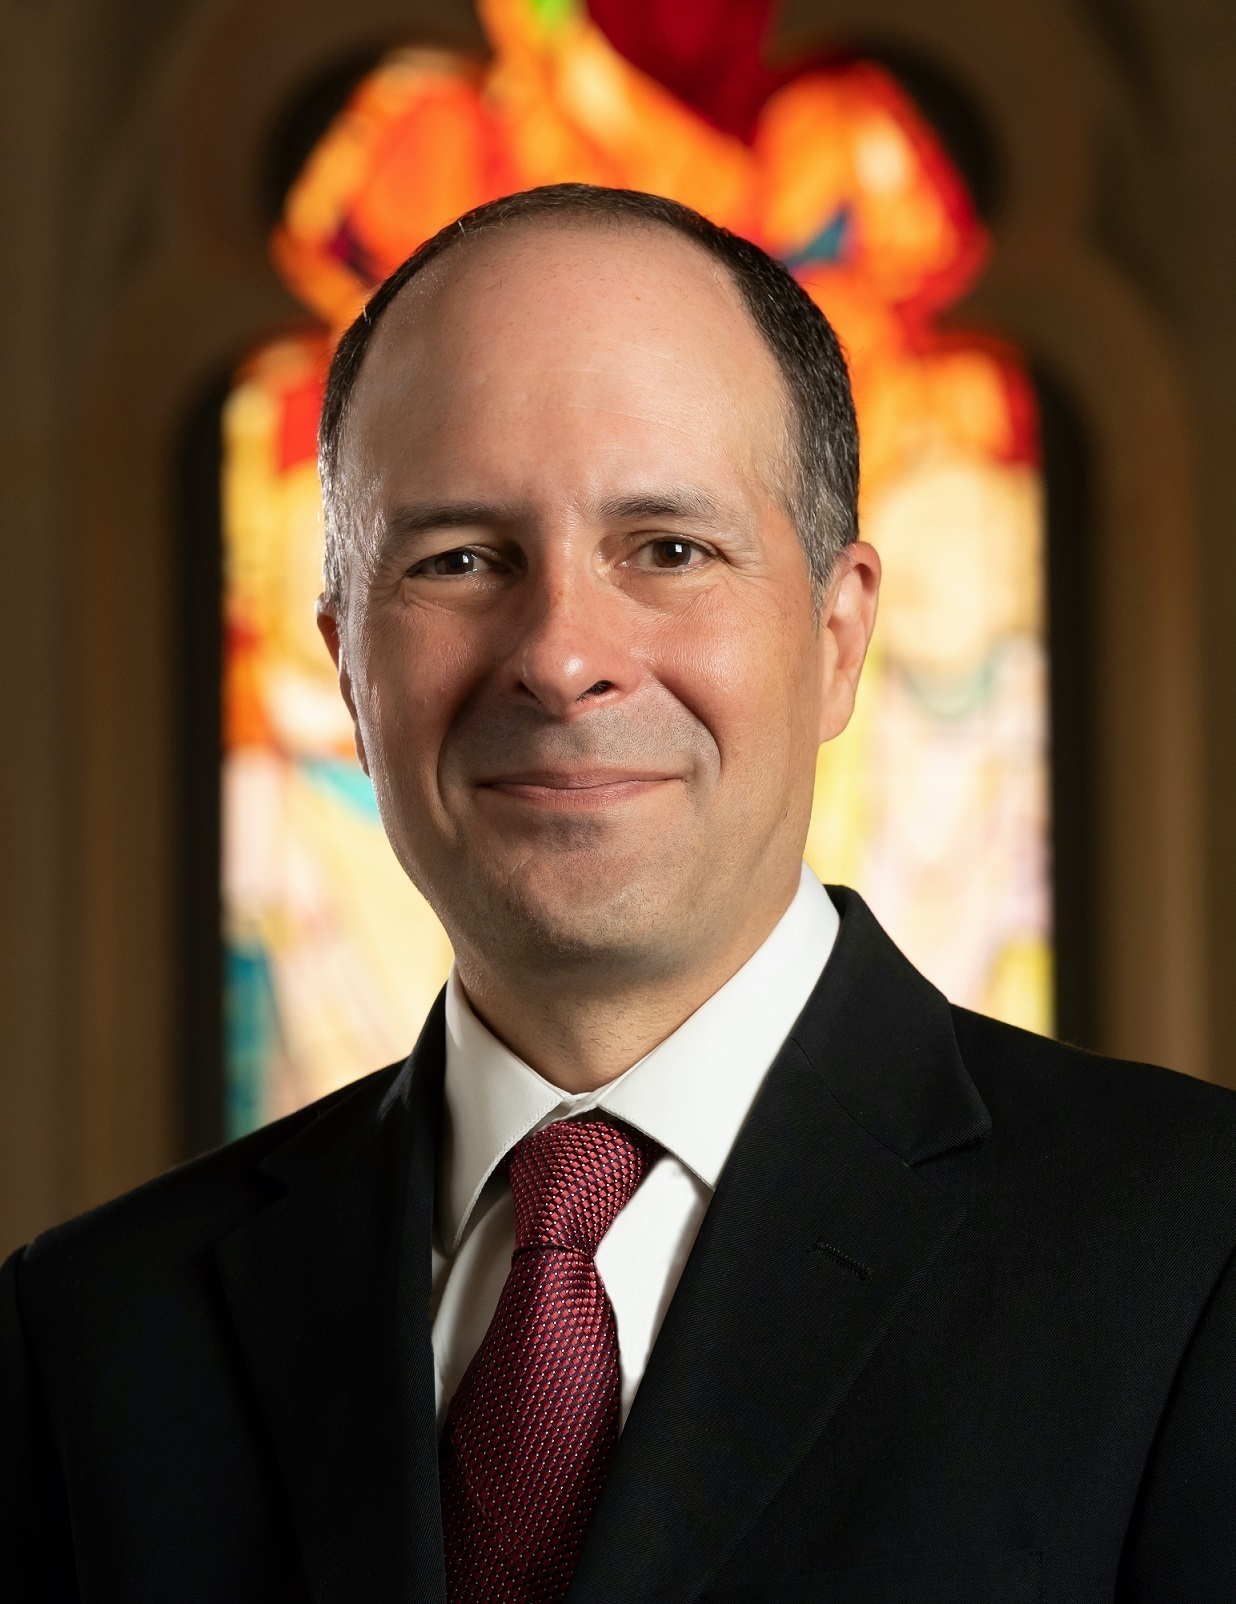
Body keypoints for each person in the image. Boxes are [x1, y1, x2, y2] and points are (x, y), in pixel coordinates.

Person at [2, 184, 1234, 1604]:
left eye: (668, 550)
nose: (563, 656)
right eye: (460, 559)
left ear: (838, 637)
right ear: (346, 661)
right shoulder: (90, 1335)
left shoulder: (1196, 1257)